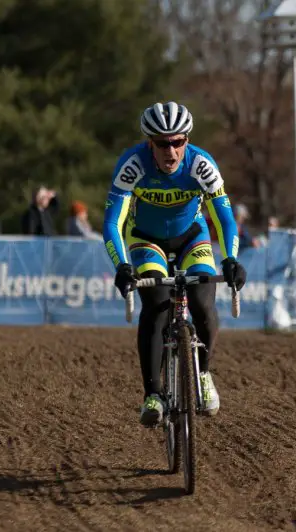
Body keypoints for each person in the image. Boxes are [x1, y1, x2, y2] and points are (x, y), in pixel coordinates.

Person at [102, 101, 247, 426]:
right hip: (146, 238)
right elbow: (112, 222)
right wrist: (121, 265)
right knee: (155, 305)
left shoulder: (201, 164)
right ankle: (152, 393)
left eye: (178, 141)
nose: (172, 151)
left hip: (191, 238)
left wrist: (231, 259)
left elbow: (224, 218)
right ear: (149, 142)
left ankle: (204, 373)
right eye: (163, 143)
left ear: (187, 140)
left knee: (202, 302)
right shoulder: (132, 164)